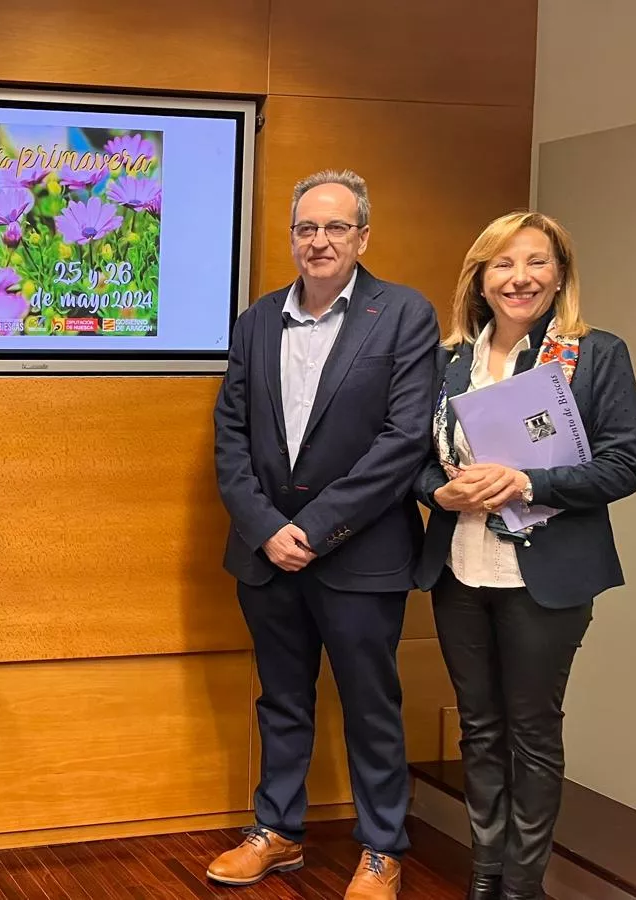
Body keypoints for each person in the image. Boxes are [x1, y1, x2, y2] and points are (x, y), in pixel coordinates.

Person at [209, 169, 438, 899]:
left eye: (336, 227)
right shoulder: (257, 320)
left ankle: (381, 847)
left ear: (362, 237)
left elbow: (403, 443)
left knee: (371, 704)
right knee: (281, 699)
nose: (320, 241)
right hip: (267, 555)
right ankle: (277, 831)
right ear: (292, 239)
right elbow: (230, 440)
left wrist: (310, 528)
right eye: (307, 228)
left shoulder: (403, 315)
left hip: (360, 554)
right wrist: (269, 530)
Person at [414, 212, 636, 900]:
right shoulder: (447, 360)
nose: (520, 278)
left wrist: (527, 482)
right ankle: (485, 875)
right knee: (479, 728)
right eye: (503, 264)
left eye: (537, 262)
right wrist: (439, 493)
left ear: (560, 275)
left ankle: (522, 885)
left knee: (532, 732)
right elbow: (413, 464)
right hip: (459, 568)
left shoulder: (594, 354)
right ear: (480, 279)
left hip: (544, 577)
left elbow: (625, 464)